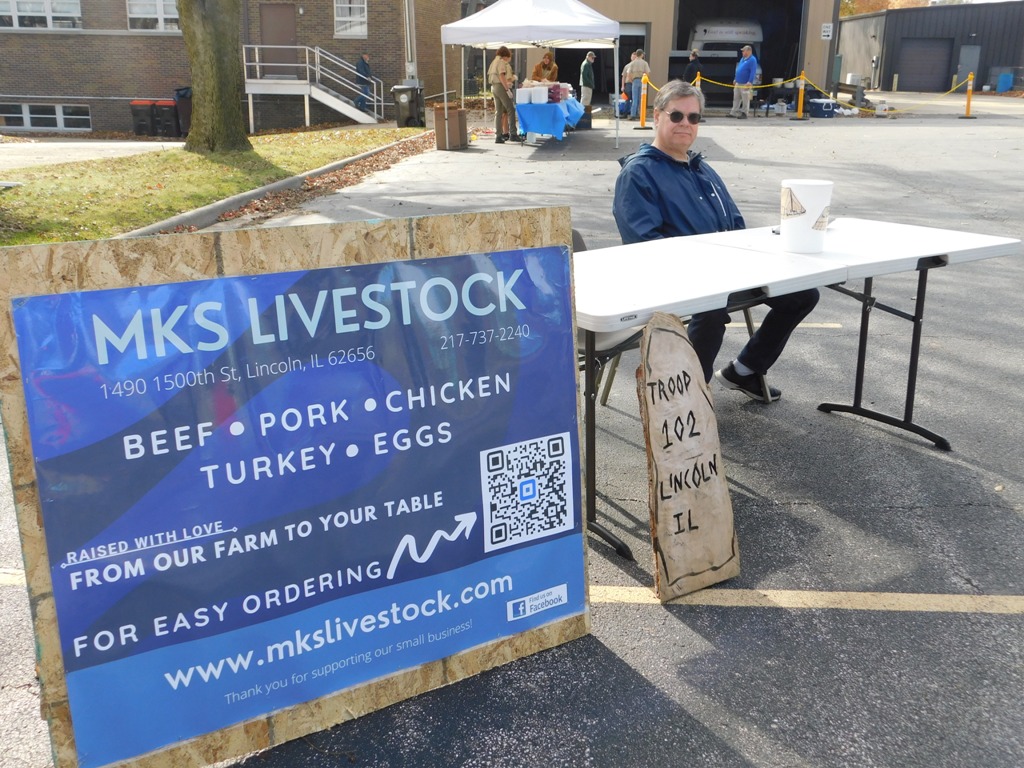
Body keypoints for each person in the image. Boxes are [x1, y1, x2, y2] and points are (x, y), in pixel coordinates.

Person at [612, 80, 818, 402]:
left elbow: (736, 224)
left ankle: (745, 370)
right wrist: (707, 268)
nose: (685, 123)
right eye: (677, 115)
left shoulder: (701, 169)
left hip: (726, 271)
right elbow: (644, 245)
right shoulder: (638, 174)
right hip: (673, 277)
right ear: (657, 116)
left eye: (693, 117)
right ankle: (688, 401)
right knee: (710, 308)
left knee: (802, 294)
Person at [488, 46, 521, 144]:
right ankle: (513, 134)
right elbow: (501, 75)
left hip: (494, 87)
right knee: (510, 109)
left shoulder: (494, 61)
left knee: (498, 112)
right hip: (500, 86)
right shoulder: (501, 62)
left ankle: (498, 135)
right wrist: (507, 89)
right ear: (505, 55)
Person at [730, 44, 758, 119]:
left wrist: (750, 82)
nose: (742, 52)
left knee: (745, 98)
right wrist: (735, 78)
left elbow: (753, 72)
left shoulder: (752, 60)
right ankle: (734, 112)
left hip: (745, 83)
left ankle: (744, 113)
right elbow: (738, 69)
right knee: (736, 98)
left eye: (743, 51)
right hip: (738, 82)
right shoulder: (742, 59)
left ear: (748, 51)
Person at [622, 49, 651, 120]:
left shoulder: (632, 63)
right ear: (641, 54)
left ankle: (633, 115)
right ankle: (641, 115)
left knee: (634, 98)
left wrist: (632, 80)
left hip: (635, 81)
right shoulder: (644, 63)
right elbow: (648, 73)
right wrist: (646, 80)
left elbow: (628, 74)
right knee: (641, 98)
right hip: (642, 81)